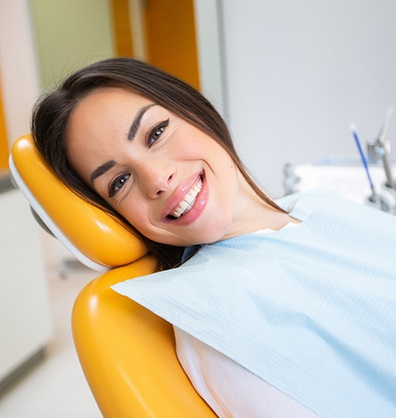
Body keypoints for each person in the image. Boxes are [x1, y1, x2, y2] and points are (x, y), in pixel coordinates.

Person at [31, 58, 396, 417]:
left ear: (194, 110)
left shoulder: (316, 205)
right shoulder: (219, 314)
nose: (157, 179)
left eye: (156, 133)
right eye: (119, 182)